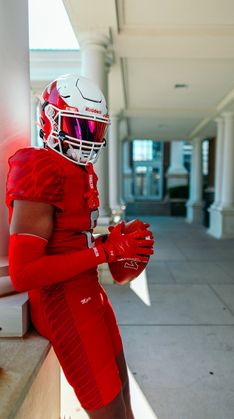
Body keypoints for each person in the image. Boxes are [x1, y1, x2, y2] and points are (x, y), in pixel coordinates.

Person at [6, 74, 154, 419]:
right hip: (63, 303)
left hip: (89, 294)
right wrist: (104, 252)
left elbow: (71, 239)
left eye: (94, 130)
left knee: (124, 398)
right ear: (51, 119)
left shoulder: (79, 169)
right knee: (111, 412)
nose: (88, 139)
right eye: (79, 127)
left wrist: (111, 241)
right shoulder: (39, 167)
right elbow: (24, 272)